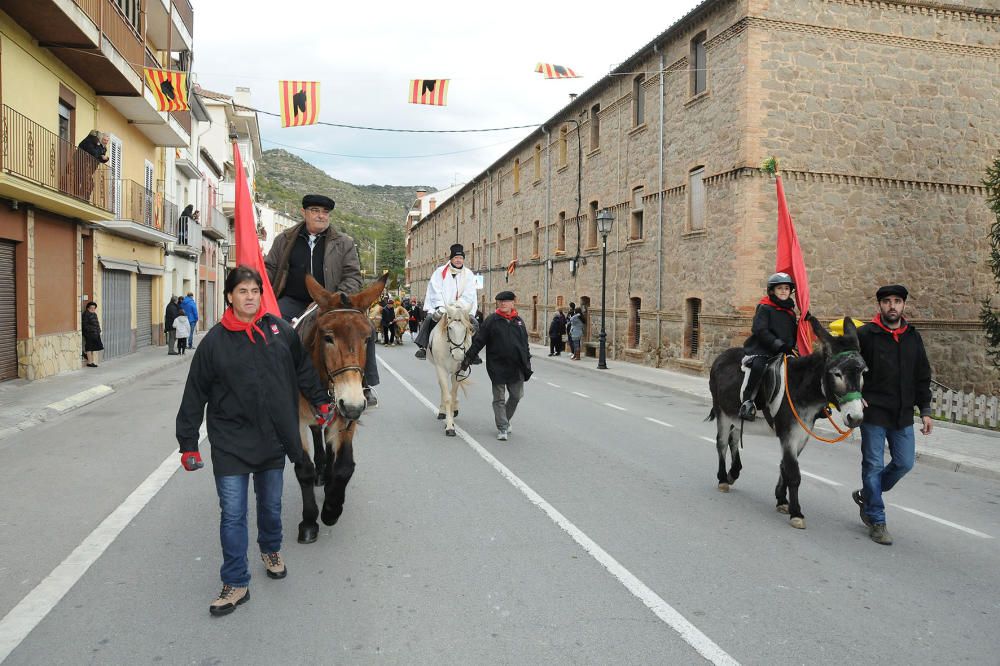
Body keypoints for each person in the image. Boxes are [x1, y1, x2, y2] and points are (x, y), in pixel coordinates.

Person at [175, 265, 334, 617]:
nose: (250, 297)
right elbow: (194, 393)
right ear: (229, 296)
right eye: (242, 291)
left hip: (273, 437)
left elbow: (304, 371)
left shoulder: (280, 332)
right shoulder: (214, 342)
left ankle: (271, 549)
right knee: (232, 514)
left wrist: (321, 400)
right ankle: (235, 581)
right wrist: (187, 442)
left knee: (270, 506)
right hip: (230, 440)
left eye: (255, 291)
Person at [265, 194, 380, 407]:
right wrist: (256, 287)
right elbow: (270, 268)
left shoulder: (344, 243)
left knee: (367, 329)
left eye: (325, 212)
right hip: (292, 299)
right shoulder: (285, 239)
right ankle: (272, 380)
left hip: (332, 304)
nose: (321, 215)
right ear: (304, 212)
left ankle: (366, 382)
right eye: (315, 211)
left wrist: (335, 298)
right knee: (271, 325)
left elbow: (353, 276)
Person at [853, 284, 933, 546]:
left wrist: (926, 410)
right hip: (873, 410)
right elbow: (850, 367)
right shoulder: (866, 334)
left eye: (897, 301)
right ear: (879, 306)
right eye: (887, 301)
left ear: (904, 305)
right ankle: (877, 520)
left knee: (904, 463)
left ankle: (867, 493)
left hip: (902, 413)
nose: (892, 306)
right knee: (873, 465)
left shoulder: (912, 336)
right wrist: (856, 394)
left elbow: (922, 375)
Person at [460, 291, 532, 441]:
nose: (503, 304)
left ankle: (504, 419)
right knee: (498, 398)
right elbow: (479, 341)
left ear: (513, 303)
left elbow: (524, 344)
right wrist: (468, 359)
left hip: (516, 366)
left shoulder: (518, 321)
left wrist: (527, 362)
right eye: (500, 301)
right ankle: (503, 427)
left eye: (506, 301)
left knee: (516, 396)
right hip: (497, 366)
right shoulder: (491, 320)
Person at [738, 272, 799, 421]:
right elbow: (760, 330)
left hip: (784, 349)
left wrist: (804, 324)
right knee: (759, 366)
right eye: (780, 288)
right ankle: (747, 402)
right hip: (764, 348)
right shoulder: (765, 307)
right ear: (772, 291)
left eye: (786, 288)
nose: (784, 291)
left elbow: (791, 332)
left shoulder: (790, 311)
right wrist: (778, 344)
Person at [414, 243, 480, 363]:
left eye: (461, 258)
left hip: (461, 308)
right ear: (451, 259)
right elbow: (435, 289)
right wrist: (441, 306)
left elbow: (469, 293)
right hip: (443, 306)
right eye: (456, 258)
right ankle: (423, 347)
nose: (459, 260)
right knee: (430, 319)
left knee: (475, 323)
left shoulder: (469, 274)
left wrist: (459, 306)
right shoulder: (440, 272)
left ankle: (474, 353)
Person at [76, 130, 109, 199]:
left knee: (89, 183)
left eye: (107, 140)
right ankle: (81, 196)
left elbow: (98, 157)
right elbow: (93, 153)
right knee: (87, 182)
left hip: (89, 166)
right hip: (82, 163)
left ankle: (84, 196)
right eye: (103, 139)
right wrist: (101, 154)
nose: (105, 142)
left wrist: (105, 159)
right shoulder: (89, 142)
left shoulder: (102, 147)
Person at [81, 301, 103, 367]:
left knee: (94, 347)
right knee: (89, 347)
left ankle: (88, 357)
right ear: (88, 308)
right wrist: (91, 330)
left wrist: (99, 330)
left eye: (94, 308)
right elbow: (85, 325)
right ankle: (90, 362)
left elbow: (97, 323)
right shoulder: (85, 315)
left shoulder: (94, 314)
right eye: (91, 308)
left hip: (96, 333)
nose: (93, 309)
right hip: (89, 334)